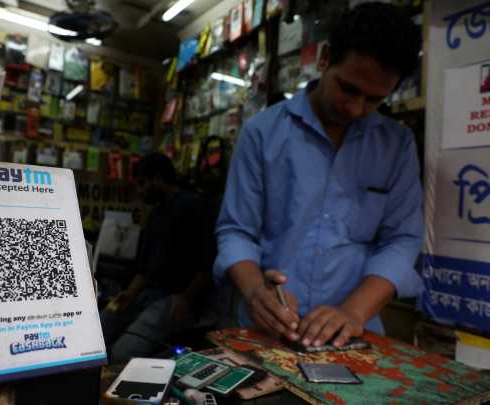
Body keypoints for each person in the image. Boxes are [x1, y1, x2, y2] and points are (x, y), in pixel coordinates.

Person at [214, 2, 423, 350]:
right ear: (325, 58)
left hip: (355, 337)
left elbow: (402, 241)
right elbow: (236, 229)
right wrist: (254, 291)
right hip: (267, 333)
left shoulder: (396, 145)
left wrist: (353, 311)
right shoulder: (262, 133)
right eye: (348, 89)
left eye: (374, 99)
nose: (356, 109)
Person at [100, 153, 215, 362]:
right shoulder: (156, 213)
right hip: (149, 293)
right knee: (99, 331)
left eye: (143, 183)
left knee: (123, 352)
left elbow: (208, 265)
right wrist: (127, 295)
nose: (140, 191)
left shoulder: (195, 206)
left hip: (177, 296)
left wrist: (186, 298)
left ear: (159, 177)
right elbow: (146, 269)